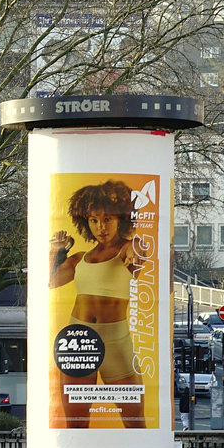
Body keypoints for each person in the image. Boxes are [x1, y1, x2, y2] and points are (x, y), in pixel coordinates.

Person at [50, 180, 148, 428]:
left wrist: (135, 254)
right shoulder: (79, 259)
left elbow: (137, 254)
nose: (100, 227)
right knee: (76, 423)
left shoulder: (129, 245)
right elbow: (47, 283)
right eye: (93, 220)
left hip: (116, 341)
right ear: (85, 221)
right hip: (78, 340)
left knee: (136, 423)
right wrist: (55, 252)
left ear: (121, 219)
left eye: (107, 219)